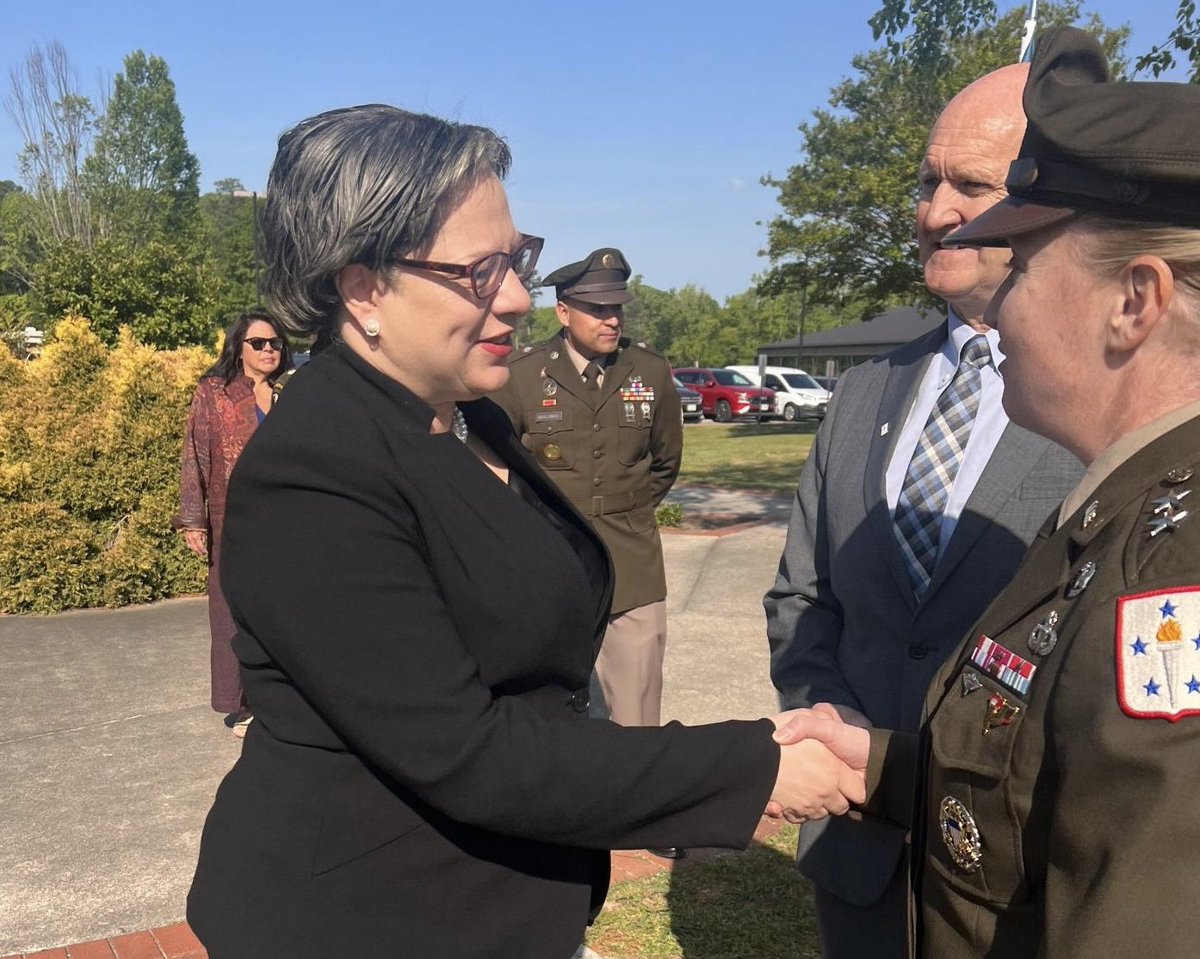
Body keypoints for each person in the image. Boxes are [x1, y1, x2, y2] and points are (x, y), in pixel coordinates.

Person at [185, 104, 862, 959]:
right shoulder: (315, 469)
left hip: (498, 902)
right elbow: (469, 749)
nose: (516, 297)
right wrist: (754, 766)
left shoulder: (467, 420)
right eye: (479, 272)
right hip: (369, 919)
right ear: (364, 289)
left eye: (517, 260)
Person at [776, 25, 1200, 958]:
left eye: (1026, 257)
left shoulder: (1175, 552)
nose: (998, 294)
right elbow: (1055, 777)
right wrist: (890, 767)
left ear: (1136, 301)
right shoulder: (1121, 502)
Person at [762, 61, 1082, 958]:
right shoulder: (864, 392)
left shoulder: (1103, 404)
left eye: (971, 185)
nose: (935, 210)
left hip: (1014, 877)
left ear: (1049, 197)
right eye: (927, 180)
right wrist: (838, 733)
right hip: (858, 858)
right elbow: (801, 598)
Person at [493, 250, 682, 731]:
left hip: (631, 565)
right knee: (551, 711)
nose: (611, 319)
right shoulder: (521, 376)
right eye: (597, 309)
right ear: (563, 312)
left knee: (638, 717)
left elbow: (665, 462)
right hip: (551, 564)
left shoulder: (650, 372)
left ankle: (641, 805)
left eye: (616, 308)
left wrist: (626, 513)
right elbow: (498, 470)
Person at [173, 309, 292, 737]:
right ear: (238, 348)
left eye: (274, 342)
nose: (268, 350)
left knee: (286, 609)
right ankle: (241, 706)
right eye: (257, 343)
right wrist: (193, 520)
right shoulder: (215, 391)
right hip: (235, 521)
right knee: (232, 611)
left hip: (289, 520)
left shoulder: (292, 390)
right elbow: (195, 454)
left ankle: (286, 696)